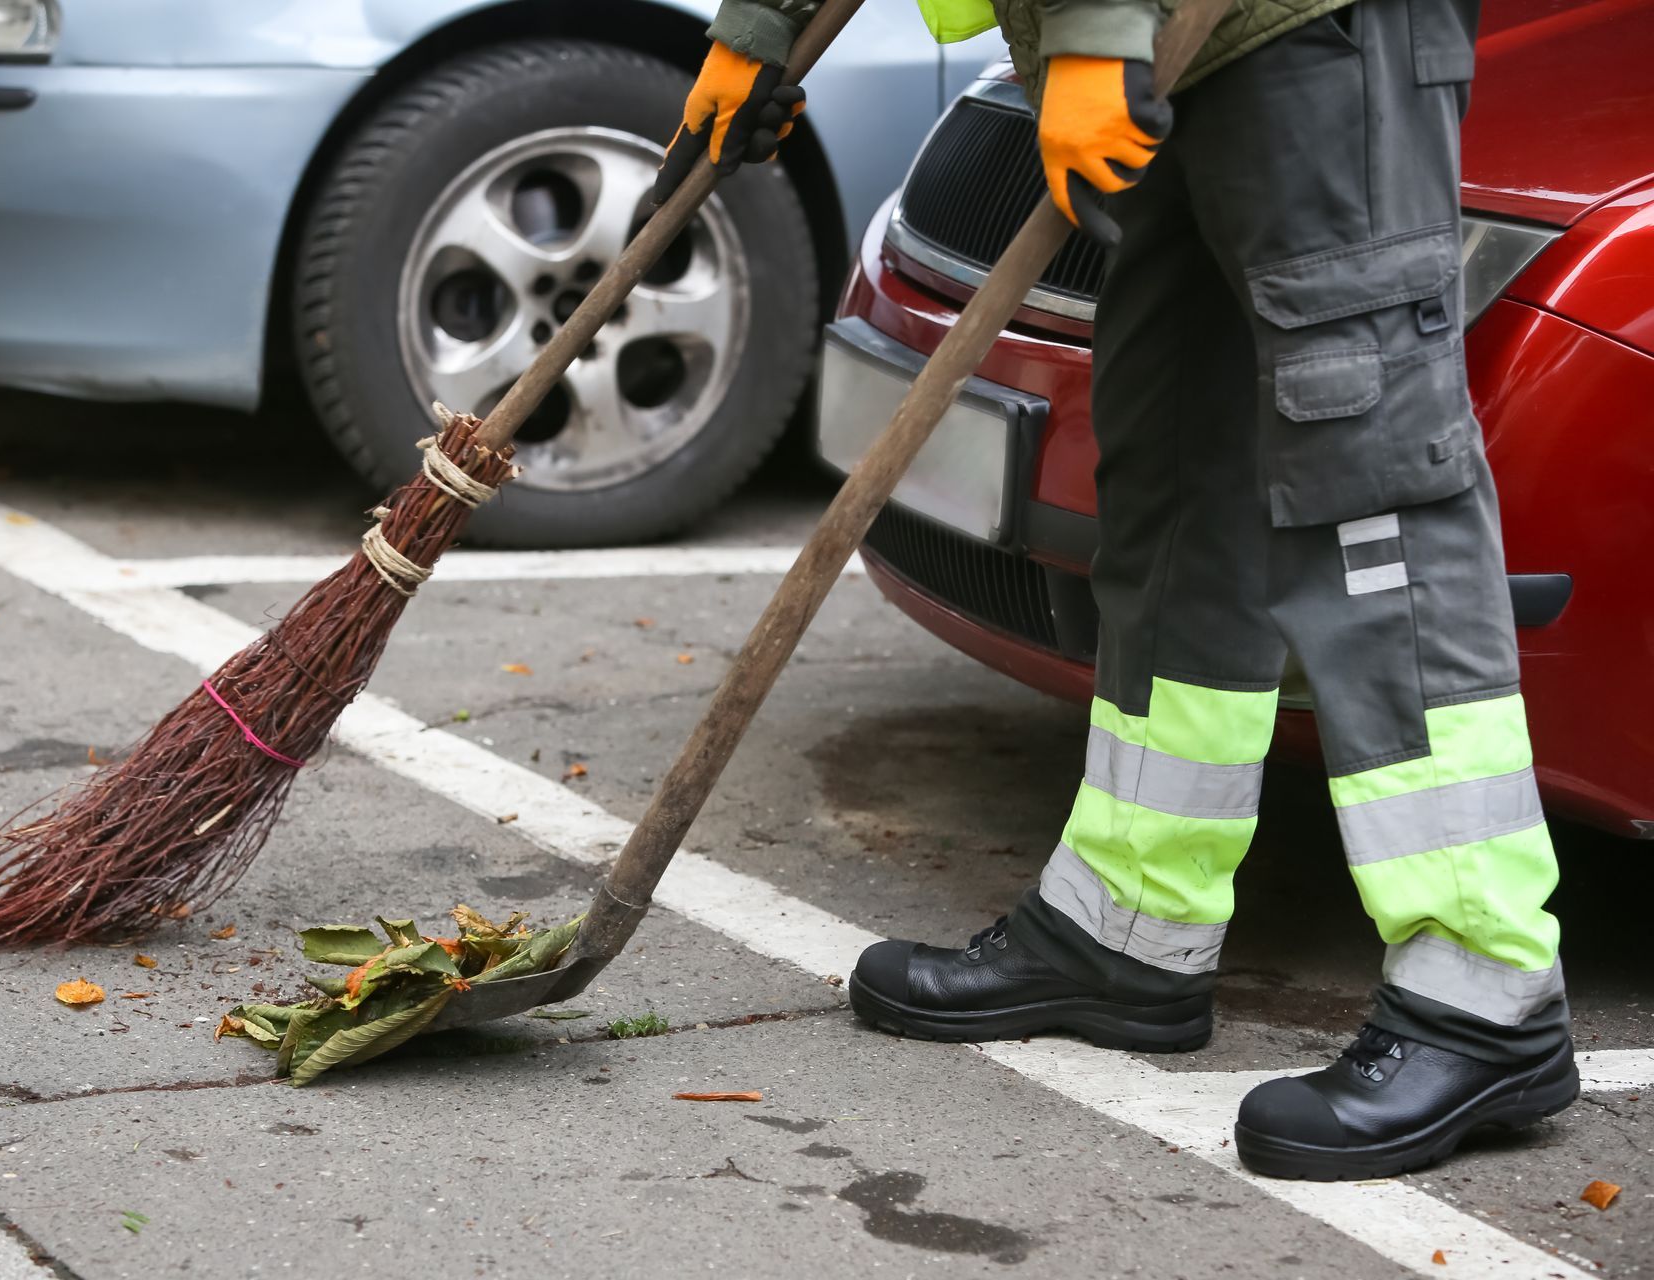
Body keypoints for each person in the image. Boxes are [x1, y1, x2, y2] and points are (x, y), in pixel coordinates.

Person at [661, 0, 1576, 1182]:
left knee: (1370, 480)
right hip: (1165, 40)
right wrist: (761, 25)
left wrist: (1095, 29)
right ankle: (1129, 921)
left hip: (1311, 36)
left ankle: (1483, 986)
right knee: (1176, 474)